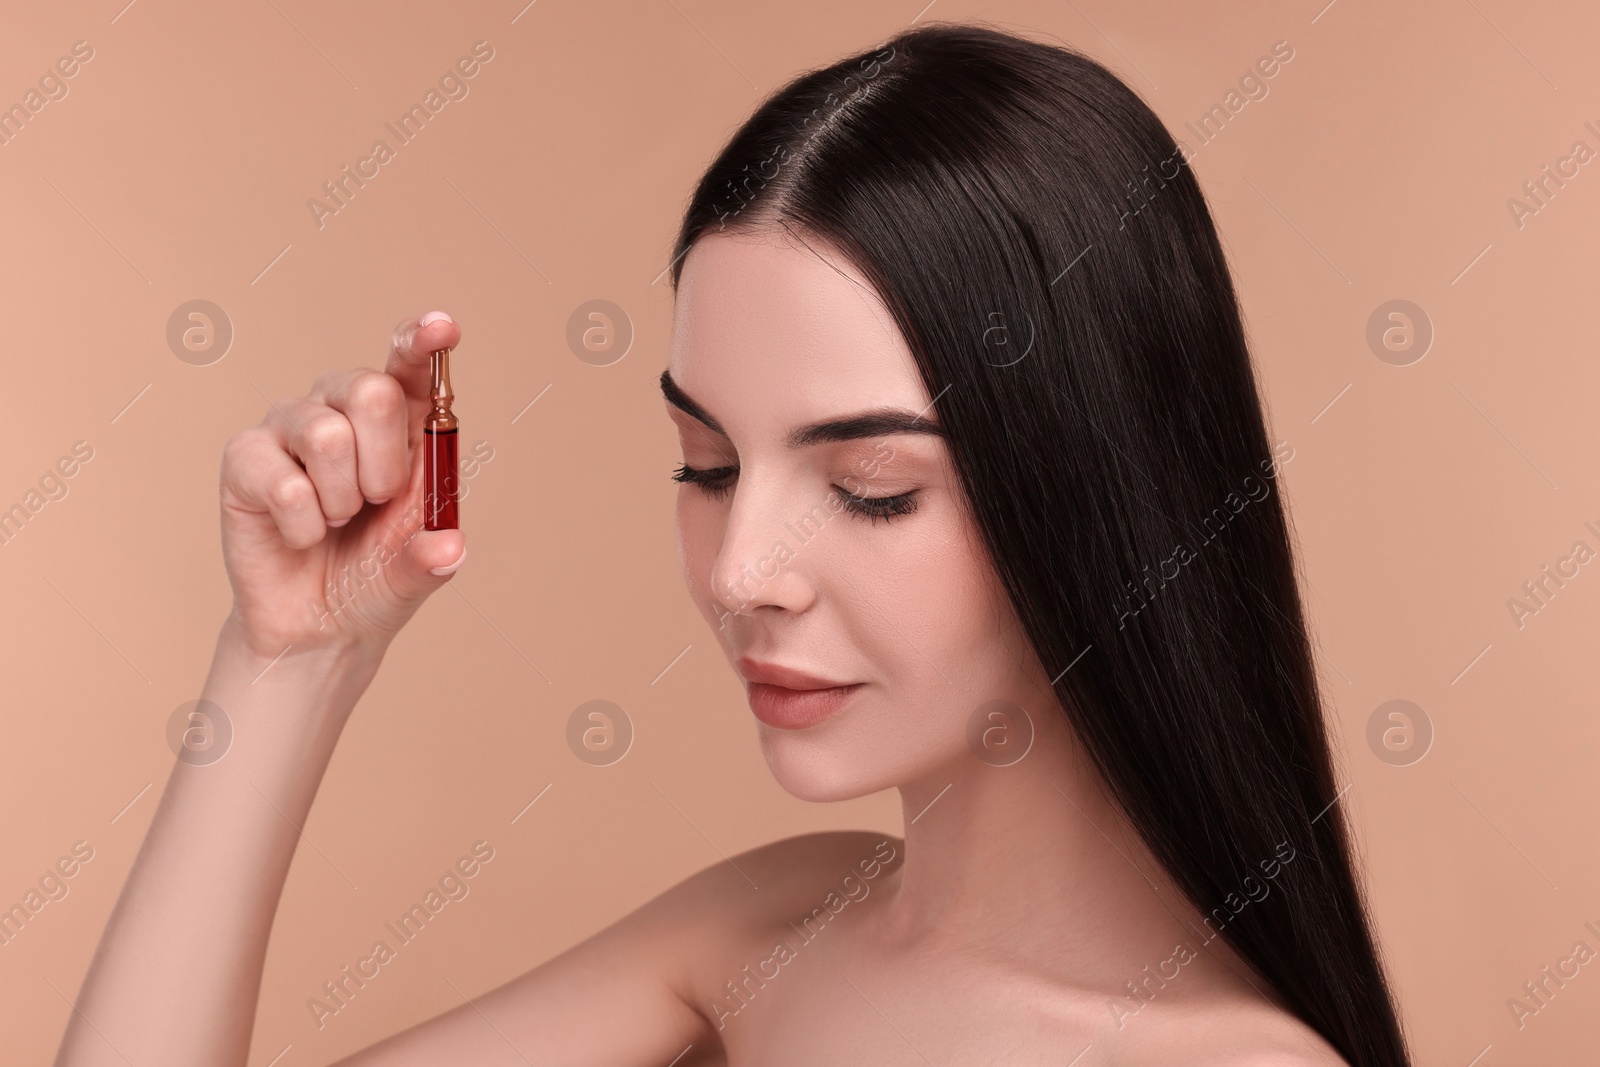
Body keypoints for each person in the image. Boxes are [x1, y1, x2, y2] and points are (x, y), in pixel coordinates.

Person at [56, 20, 1410, 1067]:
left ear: (1096, 490)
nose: (739, 573)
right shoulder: (779, 928)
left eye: (873, 486)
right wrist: (286, 662)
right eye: (704, 465)